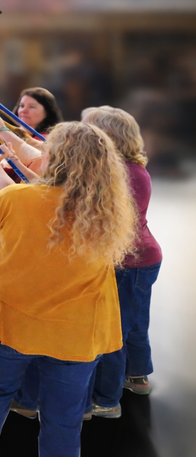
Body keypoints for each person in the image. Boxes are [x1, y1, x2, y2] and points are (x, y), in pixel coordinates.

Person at [0, 122, 136, 457]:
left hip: (10, 321)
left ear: (56, 158)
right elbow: (43, 198)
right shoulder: (105, 211)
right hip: (77, 331)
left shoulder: (18, 198)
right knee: (63, 417)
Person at [82, 106, 163, 417]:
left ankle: (106, 399)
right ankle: (137, 376)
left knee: (112, 331)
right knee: (134, 322)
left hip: (129, 263)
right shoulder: (130, 168)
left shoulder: (120, 174)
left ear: (108, 137)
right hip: (142, 259)